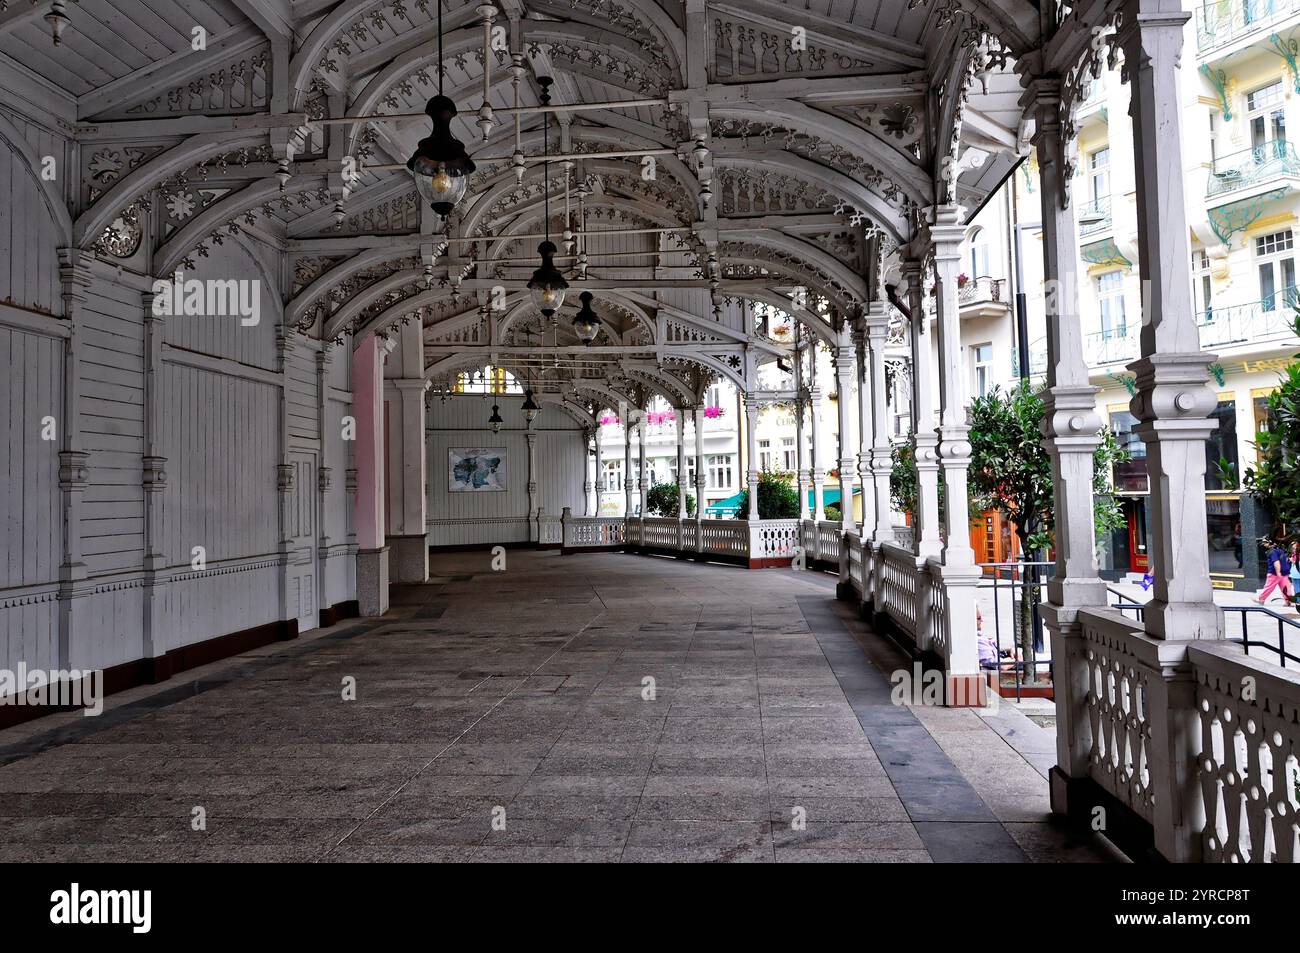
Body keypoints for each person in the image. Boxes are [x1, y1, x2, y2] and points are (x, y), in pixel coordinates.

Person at [1258, 539, 1294, 605]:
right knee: (1285, 587)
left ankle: (1261, 599)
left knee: (1269, 587)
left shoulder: (1272, 552)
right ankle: (1288, 600)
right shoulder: (1281, 551)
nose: (1264, 544)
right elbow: (1286, 559)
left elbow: (1276, 562)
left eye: (1265, 543)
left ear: (1270, 543)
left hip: (1274, 573)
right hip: (1285, 572)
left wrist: (1278, 572)